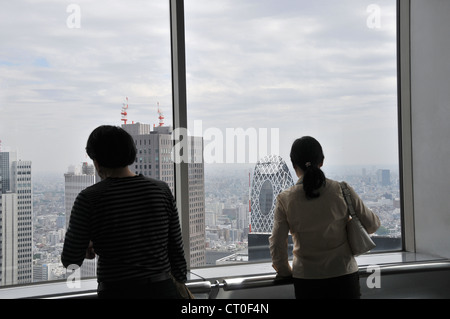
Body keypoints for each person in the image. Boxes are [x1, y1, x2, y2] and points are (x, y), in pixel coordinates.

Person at [61, 125, 187, 299]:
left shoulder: (89, 198)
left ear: (97, 162)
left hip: (117, 292)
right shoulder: (161, 190)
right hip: (163, 289)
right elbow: (176, 252)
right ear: (131, 154)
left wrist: (85, 247)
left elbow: (70, 260)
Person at [269, 136, 380, 299]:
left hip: (307, 280)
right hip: (344, 275)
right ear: (321, 161)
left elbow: (277, 242)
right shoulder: (342, 190)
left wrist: (285, 272)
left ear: (294, 165)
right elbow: (372, 225)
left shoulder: (285, 199)